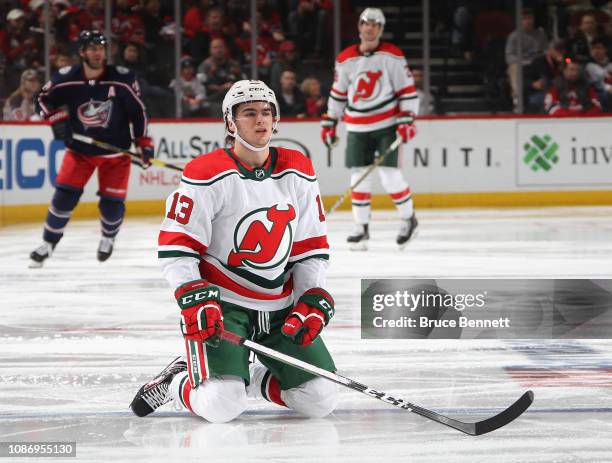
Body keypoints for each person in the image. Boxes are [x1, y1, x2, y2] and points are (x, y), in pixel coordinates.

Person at [129, 80, 338, 423]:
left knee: (319, 399)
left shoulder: (298, 169)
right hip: (223, 307)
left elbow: (310, 248)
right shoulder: (205, 173)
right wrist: (190, 293)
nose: (260, 121)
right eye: (249, 113)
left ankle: (248, 381)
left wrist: (310, 296)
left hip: (278, 310)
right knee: (223, 406)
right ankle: (178, 382)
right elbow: (176, 247)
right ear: (230, 123)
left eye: (267, 113)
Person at [29, 30, 153, 267]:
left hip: (116, 155)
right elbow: (41, 99)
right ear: (82, 52)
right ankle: (48, 243)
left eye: (101, 48)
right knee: (63, 198)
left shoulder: (122, 78)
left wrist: (144, 143)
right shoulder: (67, 78)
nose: (98, 53)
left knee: (111, 205)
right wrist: (56, 119)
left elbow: (139, 113)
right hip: (79, 152)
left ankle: (108, 238)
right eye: (93, 48)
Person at [321, 7, 419, 250]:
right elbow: (338, 95)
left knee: (390, 176)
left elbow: (406, 90)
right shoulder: (345, 59)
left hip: (387, 124)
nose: (370, 27)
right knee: (358, 177)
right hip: (356, 126)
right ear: (359, 27)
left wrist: (407, 119)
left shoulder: (393, 55)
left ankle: (409, 219)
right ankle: (361, 227)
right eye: (366, 23)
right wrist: (330, 123)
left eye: (375, 24)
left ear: (381, 28)